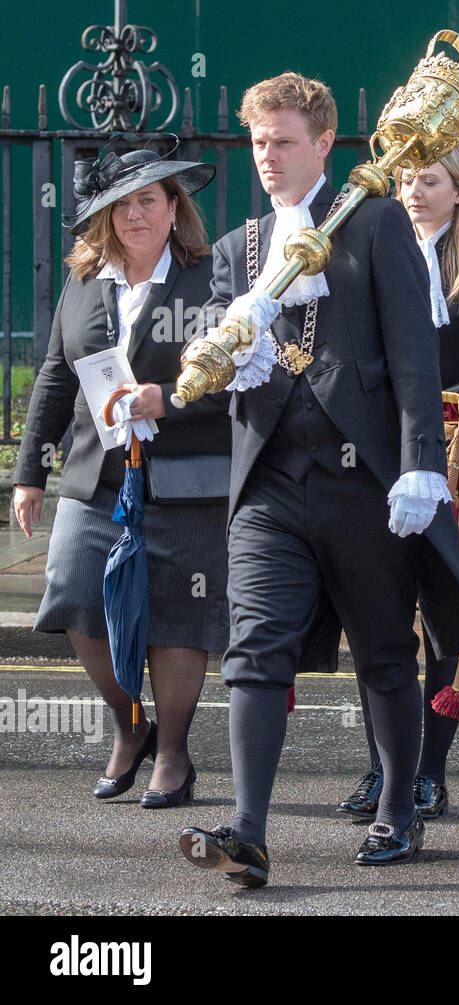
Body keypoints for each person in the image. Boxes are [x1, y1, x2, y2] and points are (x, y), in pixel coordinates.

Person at [177, 72, 459, 887]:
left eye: (284, 141)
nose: (268, 157)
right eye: (258, 143)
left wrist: (421, 459)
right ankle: (248, 828)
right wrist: (227, 347)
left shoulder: (377, 223)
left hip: (364, 481)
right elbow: (225, 359)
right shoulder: (241, 249)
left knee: (386, 652)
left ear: (323, 143)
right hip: (271, 488)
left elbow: (414, 357)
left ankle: (398, 806)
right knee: (253, 647)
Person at [12, 140, 227, 808]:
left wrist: (172, 396)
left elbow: (239, 374)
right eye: (121, 204)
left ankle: (172, 753)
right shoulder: (84, 278)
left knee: (177, 616)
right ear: (104, 216)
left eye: (148, 200)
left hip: (188, 475)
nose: (135, 214)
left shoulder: (211, 276)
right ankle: (131, 723)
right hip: (97, 471)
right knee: (74, 591)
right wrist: (30, 472)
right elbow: (55, 372)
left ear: (173, 209)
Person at [338, 143, 459, 821]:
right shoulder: (368, 261)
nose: (414, 191)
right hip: (377, 462)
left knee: (442, 622)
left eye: (430, 181)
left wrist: (458, 399)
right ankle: (382, 769)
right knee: (377, 619)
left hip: (456, 467)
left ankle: (429, 770)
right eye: (404, 180)